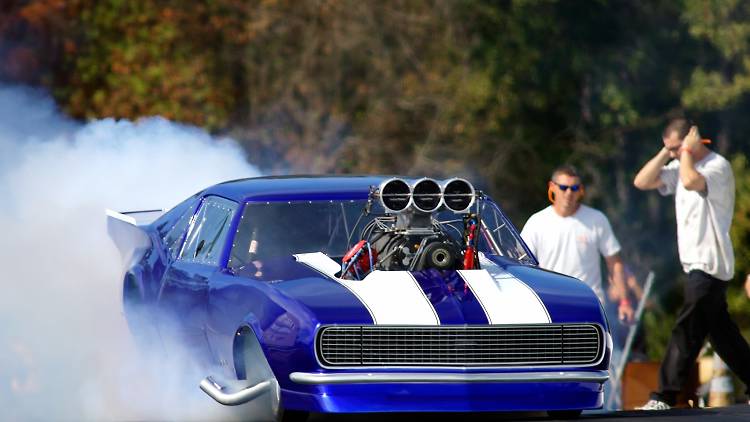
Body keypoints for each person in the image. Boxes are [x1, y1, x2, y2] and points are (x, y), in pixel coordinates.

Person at [633, 118, 750, 410]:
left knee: (686, 330)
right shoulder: (678, 164)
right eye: (670, 149)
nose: (674, 154)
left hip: (710, 264)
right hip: (696, 266)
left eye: (677, 147)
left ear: (693, 140)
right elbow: (642, 181)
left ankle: (663, 395)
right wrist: (667, 151)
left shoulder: (716, 167)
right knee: (724, 337)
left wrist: (686, 151)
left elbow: (690, 181)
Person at [521, 164, 634, 322]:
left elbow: (615, 263)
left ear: (580, 190)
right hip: (550, 306)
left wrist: (624, 302)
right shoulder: (536, 222)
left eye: (574, 188)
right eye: (563, 187)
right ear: (552, 187)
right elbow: (521, 266)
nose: (569, 193)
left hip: (590, 306)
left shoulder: (597, 219)